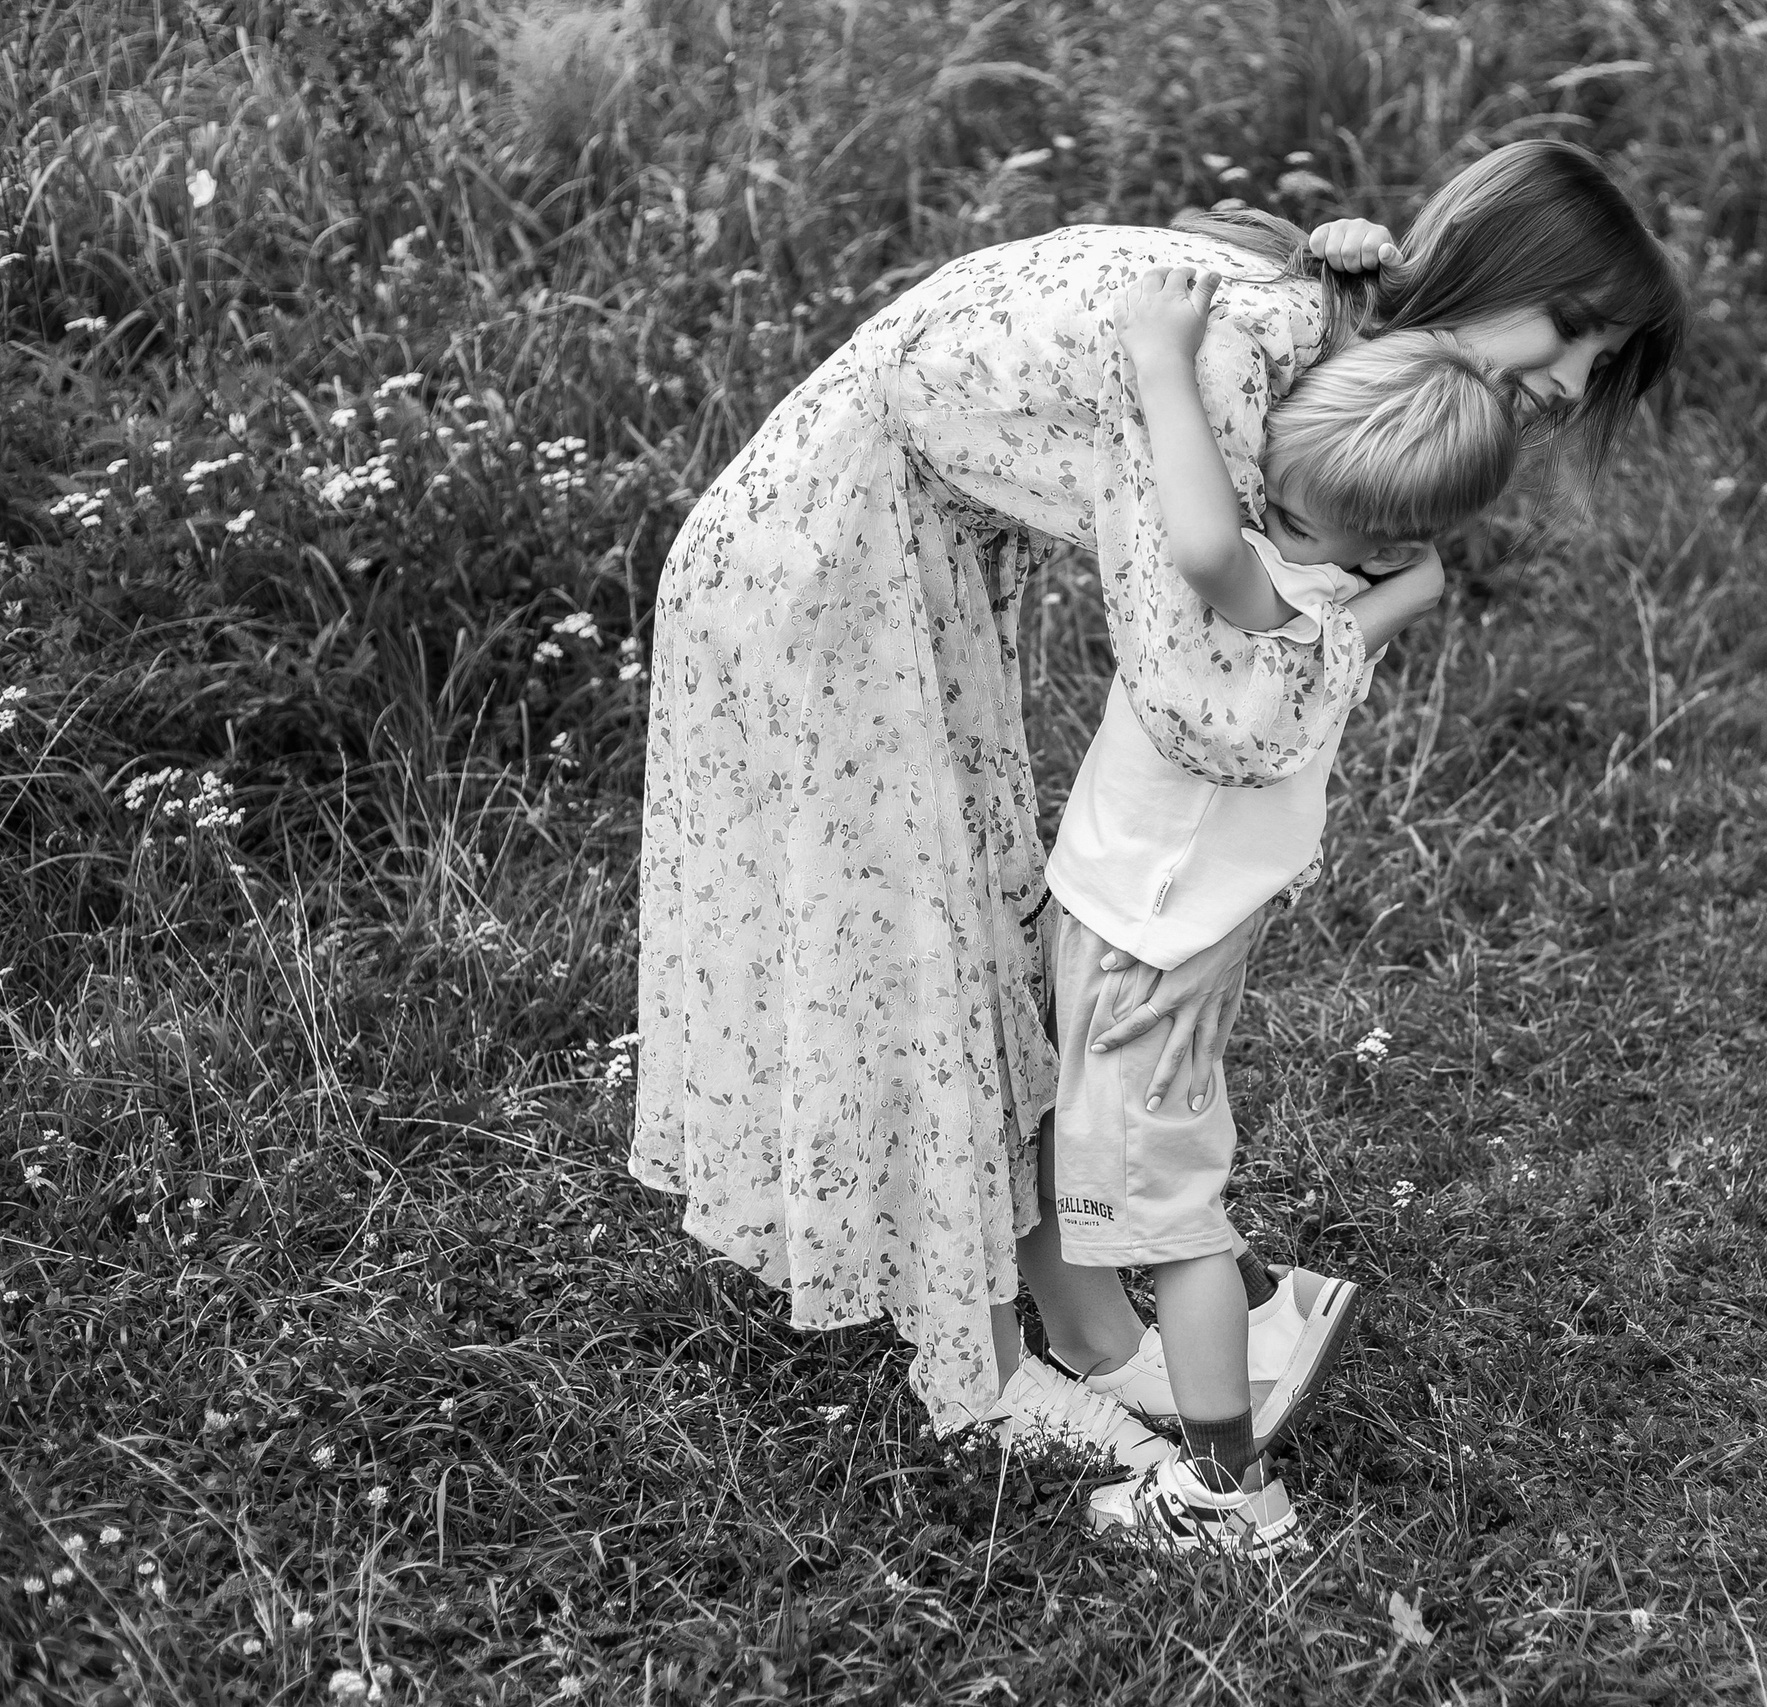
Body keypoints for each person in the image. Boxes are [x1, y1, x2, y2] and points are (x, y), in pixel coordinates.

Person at [631, 139, 1683, 1463]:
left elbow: (1243, 628)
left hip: (906, 545)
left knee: (982, 924)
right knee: (922, 939)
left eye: (1605, 357)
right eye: (1577, 327)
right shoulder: (1244, 349)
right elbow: (1204, 695)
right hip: (816, 561)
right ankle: (999, 1354)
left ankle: (1072, 1308)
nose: (1578, 380)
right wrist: (1211, 920)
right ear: (1489, 263)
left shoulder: (1317, 340)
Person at [1020, 269, 1517, 1553]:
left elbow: (1196, 544)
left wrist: (1160, 361)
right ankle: (1267, 1306)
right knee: (1139, 1161)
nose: (1256, 514)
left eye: (1283, 510)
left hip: (1146, 940)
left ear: (1366, 544)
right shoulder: (1363, 592)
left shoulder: (1281, 601)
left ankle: (1225, 1493)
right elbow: (1417, 573)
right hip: (1172, 925)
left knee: (1164, 1215)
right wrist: (1345, 320)